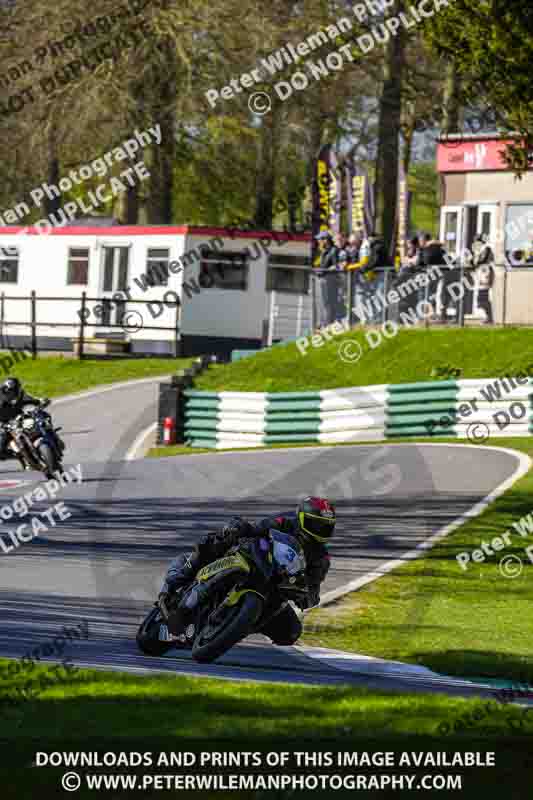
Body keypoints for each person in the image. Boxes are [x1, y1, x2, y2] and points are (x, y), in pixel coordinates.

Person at [158, 496, 336, 647]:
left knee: (291, 632)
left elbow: (313, 588)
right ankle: (179, 579)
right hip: (255, 560)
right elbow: (258, 528)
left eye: (327, 527)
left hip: (276, 588)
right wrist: (242, 528)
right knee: (213, 542)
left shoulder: (321, 558)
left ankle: (234, 626)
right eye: (317, 524)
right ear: (302, 518)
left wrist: (307, 596)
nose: (322, 531)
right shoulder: (284, 523)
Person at [0, 377, 47, 462]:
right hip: (4, 423)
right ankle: (19, 455)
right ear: (5, 390)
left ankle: (49, 435)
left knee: (42, 416)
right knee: (1, 448)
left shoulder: (21, 395)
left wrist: (41, 401)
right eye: (10, 391)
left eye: (14, 390)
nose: (12, 394)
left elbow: (33, 400)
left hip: (19, 418)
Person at [315, 231, 339, 327]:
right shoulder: (324, 251)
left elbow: (336, 266)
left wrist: (325, 271)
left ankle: (328, 324)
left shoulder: (333, 250)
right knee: (323, 303)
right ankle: (322, 323)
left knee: (328, 303)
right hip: (322, 279)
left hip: (329, 279)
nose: (318, 241)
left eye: (320, 239)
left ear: (326, 240)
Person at [474, 234, 495, 324]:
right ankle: (489, 317)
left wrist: (476, 261)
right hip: (481, 273)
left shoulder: (486, 248)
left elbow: (482, 260)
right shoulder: (480, 250)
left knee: (482, 297)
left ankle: (489, 317)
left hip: (485, 273)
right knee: (482, 297)